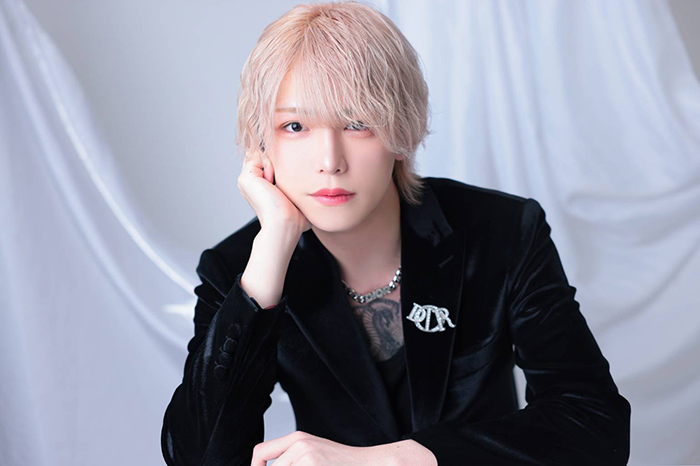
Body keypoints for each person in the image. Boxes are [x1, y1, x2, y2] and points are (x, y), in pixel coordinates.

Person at [161, 1, 631, 465]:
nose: (330, 161)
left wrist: (394, 460)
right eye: (295, 125)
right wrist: (271, 255)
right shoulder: (239, 269)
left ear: (400, 128)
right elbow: (198, 458)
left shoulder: (502, 230)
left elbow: (596, 424)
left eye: (357, 123)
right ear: (262, 143)